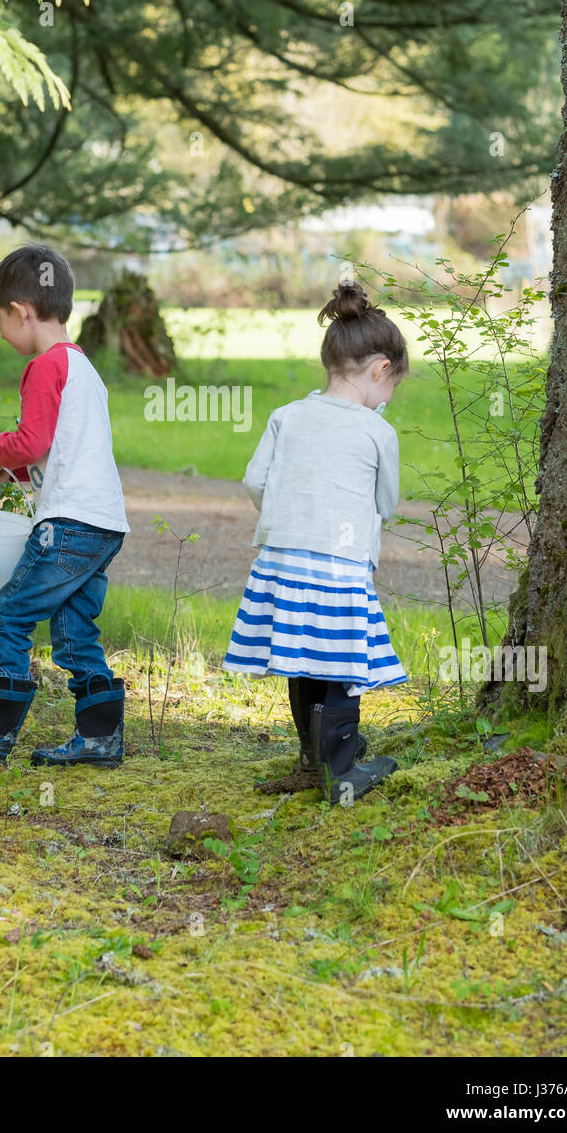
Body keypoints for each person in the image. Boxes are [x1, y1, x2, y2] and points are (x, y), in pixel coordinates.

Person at [0, 245, 130, 769]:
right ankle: (100, 738)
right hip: (104, 524)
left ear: (21, 311)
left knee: (9, 616)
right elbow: (57, 449)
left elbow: (28, 438)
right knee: (74, 630)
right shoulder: (84, 367)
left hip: (66, 523)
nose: (0, 332)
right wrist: (14, 471)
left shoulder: (45, 366)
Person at [223, 280, 409, 804]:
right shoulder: (377, 432)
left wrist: (290, 517)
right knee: (343, 663)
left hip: (282, 560)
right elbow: (386, 502)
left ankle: (311, 760)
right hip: (340, 566)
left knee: (301, 657)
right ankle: (342, 768)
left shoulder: (287, 416)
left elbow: (255, 481)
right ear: (380, 370)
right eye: (392, 385)